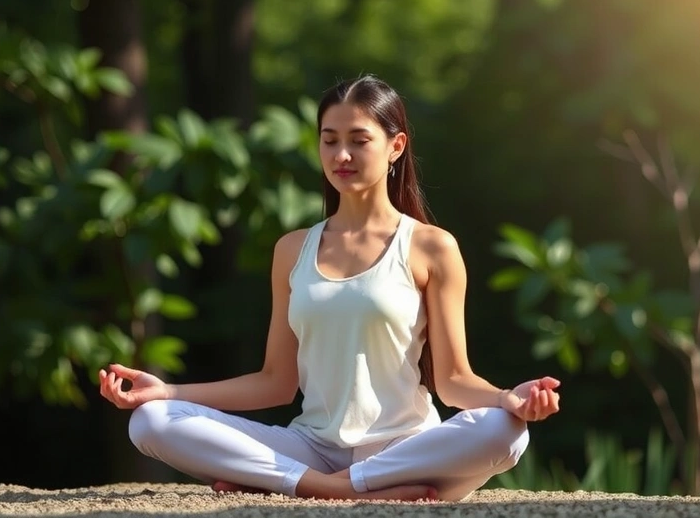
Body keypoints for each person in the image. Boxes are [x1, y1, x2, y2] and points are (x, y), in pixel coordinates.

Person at [98, 75, 561, 502]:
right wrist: (169, 392)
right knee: (150, 421)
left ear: (395, 146)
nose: (341, 155)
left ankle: (307, 485)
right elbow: (275, 383)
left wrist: (507, 399)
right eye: (329, 140)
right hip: (312, 448)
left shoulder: (431, 247)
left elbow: (455, 382)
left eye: (359, 141)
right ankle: (333, 488)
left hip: (410, 451)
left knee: (506, 431)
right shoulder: (292, 250)